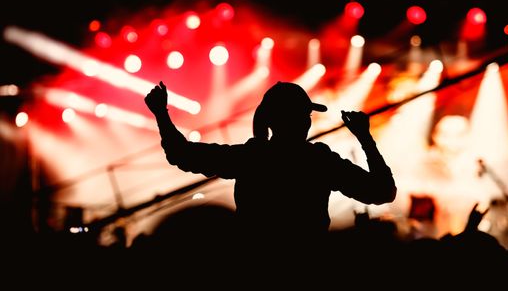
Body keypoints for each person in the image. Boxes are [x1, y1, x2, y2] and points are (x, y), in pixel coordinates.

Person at [145, 80, 396, 242]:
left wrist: (161, 115)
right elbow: (382, 191)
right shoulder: (318, 160)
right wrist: (365, 138)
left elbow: (182, 154)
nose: (308, 120)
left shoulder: (252, 157)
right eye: (305, 114)